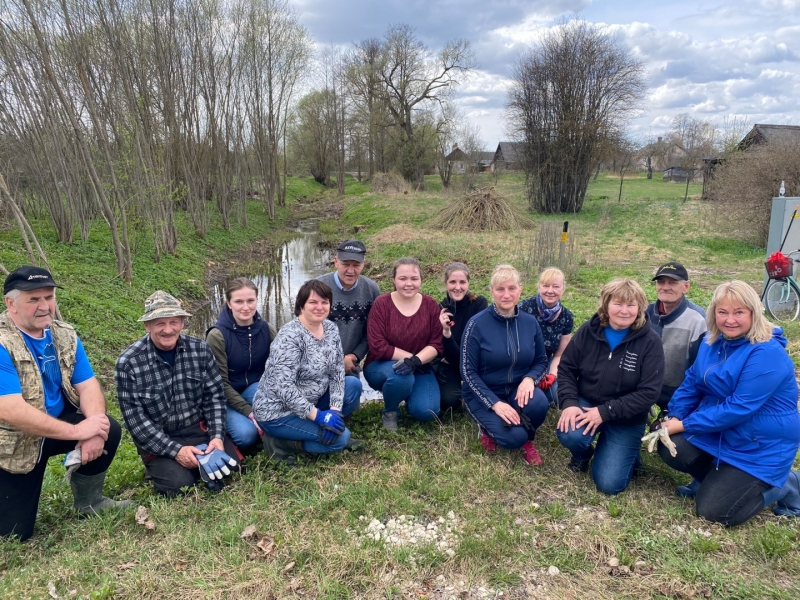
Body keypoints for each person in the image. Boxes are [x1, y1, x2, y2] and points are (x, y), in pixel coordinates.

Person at [0, 266, 130, 541]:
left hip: (56, 423)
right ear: (11, 303)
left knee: (109, 429)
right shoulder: (2, 342)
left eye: (48, 297)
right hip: (14, 441)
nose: (44, 306)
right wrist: (76, 433)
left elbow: (89, 385)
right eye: (33, 299)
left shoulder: (64, 335)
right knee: (13, 535)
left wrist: (93, 429)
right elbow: (10, 409)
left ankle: (89, 502)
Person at [655, 280, 800, 526]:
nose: (729, 320)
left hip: (758, 444)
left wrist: (685, 424)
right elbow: (692, 382)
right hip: (723, 431)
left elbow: (739, 408)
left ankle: (785, 485)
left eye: (739, 312)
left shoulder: (766, 353)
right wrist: (673, 416)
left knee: (714, 512)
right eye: (723, 312)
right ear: (714, 314)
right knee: (670, 445)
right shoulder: (712, 342)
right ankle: (713, 479)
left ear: (753, 313)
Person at [116, 291, 240, 497]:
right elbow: (136, 422)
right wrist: (176, 451)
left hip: (197, 429)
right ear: (147, 326)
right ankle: (161, 467)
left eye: (174, 322)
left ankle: (198, 459)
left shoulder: (200, 350)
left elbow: (215, 398)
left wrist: (216, 437)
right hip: (160, 436)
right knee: (179, 486)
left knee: (231, 469)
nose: (168, 330)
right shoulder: (128, 363)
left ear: (182, 322)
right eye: (159, 324)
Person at [556, 278, 664, 495]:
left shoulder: (650, 341)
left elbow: (649, 392)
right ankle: (582, 455)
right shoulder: (588, 330)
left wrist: (606, 413)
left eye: (631, 305)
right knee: (569, 433)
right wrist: (569, 403)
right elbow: (567, 368)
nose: (624, 311)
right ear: (606, 305)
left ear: (640, 308)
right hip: (588, 403)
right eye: (618, 304)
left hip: (627, 416)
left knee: (608, 484)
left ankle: (626, 450)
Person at [252, 280, 361, 461]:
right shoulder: (290, 337)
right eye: (313, 302)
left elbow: (336, 372)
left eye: (324, 302)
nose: (319, 307)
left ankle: (329, 429)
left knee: (353, 385)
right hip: (278, 411)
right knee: (341, 440)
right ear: (301, 305)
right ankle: (278, 443)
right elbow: (283, 387)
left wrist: (333, 410)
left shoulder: (331, 329)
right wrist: (318, 417)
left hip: (313, 400)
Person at [461, 265, 550, 465]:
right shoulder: (476, 324)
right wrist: (495, 403)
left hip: (517, 389)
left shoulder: (530, 323)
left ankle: (528, 439)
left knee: (539, 403)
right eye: (500, 289)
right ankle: (486, 427)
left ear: (521, 289)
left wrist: (529, 379)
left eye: (512, 288)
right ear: (491, 291)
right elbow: (467, 372)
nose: (506, 294)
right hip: (483, 393)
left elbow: (541, 361)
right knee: (512, 438)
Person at [364, 257, 443, 430]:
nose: (409, 284)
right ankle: (390, 411)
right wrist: (410, 358)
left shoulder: (430, 305)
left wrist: (415, 362)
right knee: (401, 375)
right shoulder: (382, 304)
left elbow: (437, 343)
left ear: (421, 280)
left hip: (420, 367)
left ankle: (408, 394)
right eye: (403, 278)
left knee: (428, 411)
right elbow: (378, 346)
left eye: (414, 279)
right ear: (393, 280)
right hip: (382, 365)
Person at [206, 278, 275, 451]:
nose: (246, 307)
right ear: (229, 303)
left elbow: (280, 369)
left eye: (250, 301)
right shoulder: (217, 336)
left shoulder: (267, 329)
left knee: (270, 404)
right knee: (246, 435)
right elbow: (220, 383)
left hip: (255, 388)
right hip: (224, 397)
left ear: (257, 300)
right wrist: (250, 413)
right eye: (239, 301)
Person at [646, 262, 707, 412]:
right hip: (645, 391)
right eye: (661, 282)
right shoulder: (644, 313)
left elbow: (699, 373)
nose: (665, 287)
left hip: (680, 398)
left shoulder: (698, 321)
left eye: (672, 282)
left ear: (686, 287)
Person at [317, 239, 380, 383]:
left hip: (350, 366)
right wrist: (336, 360)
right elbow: (304, 331)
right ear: (336, 262)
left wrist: (355, 356)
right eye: (345, 264)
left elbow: (372, 332)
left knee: (351, 392)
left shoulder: (372, 290)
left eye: (356, 265)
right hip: (317, 364)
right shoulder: (316, 287)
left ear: (363, 264)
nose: (350, 271)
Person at [518, 267, 574, 406]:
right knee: (530, 397)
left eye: (556, 286)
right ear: (539, 287)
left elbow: (560, 354)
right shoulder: (523, 308)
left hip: (547, 362)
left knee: (556, 395)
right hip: (522, 362)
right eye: (546, 286)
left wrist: (552, 375)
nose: (550, 291)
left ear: (563, 288)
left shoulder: (567, 317)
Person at [437, 262, 488, 411]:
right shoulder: (441, 309)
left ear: (468, 283)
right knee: (449, 402)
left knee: (481, 400)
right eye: (453, 282)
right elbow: (446, 353)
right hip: (451, 365)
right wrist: (446, 332)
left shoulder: (479, 304)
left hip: (475, 364)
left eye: (462, 282)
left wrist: (451, 346)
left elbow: (473, 347)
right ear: (446, 283)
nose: (457, 287)